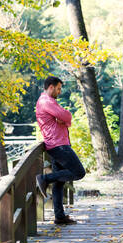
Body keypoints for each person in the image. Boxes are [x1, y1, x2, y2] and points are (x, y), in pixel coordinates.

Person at [35, 76, 86, 225]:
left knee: (59, 183)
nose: (60, 91)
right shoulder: (46, 102)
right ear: (50, 87)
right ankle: (44, 179)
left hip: (57, 144)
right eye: (58, 88)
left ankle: (59, 216)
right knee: (78, 172)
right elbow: (66, 115)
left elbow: (65, 118)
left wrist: (64, 119)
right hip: (59, 145)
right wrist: (64, 117)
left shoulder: (48, 102)